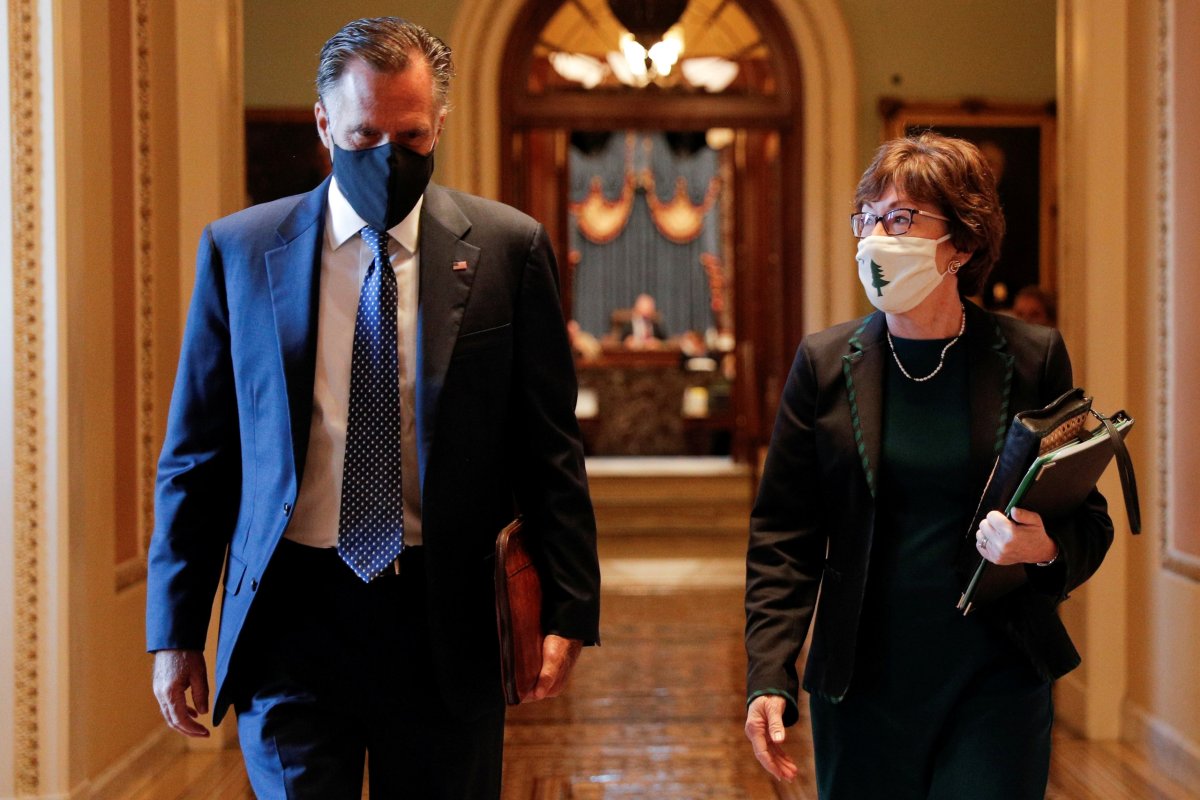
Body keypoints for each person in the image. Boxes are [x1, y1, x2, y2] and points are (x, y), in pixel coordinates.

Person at [146, 18, 600, 799]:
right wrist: (176, 632)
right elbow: (198, 456)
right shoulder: (242, 251)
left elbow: (548, 447)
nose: (388, 155)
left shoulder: (507, 249)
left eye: (412, 135)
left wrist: (571, 606)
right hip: (289, 618)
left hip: (444, 618)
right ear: (324, 124)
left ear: (440, 124)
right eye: (364, 135)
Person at [743, 132, 1113, 798]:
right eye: (869, 217)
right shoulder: (825, 365)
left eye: (902, 219)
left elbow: (1088, 520)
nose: (877, 237)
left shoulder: (1031, 358)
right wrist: (769, 676)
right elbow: (784, 538)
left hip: (994, 676)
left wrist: (1043, 546)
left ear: (963, 244)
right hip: (862, 683)